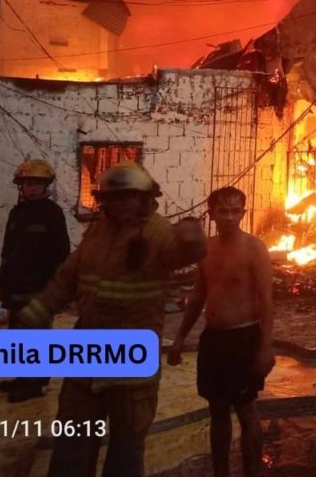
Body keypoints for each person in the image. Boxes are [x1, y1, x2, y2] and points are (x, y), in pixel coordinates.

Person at [16, 162, 207, 477]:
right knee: (71, 449)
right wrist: (40, 310)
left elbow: (187, 252)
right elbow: (68, 276)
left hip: (130, 367)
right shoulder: (97, 231)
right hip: (87, 357)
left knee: (125, 454)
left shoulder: (159, 232)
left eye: (126, 197)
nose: (117, 204)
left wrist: (193, 233)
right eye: (110, 198)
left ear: (144, 198)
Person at [167, 186, 275, 477]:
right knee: (217, 410)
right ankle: (221, 473)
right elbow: (198, 296)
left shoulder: (254, 248)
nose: (229, 217)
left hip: (244, 339)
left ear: (243, 213)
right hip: (213, 339)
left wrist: (266, 347)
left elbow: (266, 300)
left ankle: (252, 473)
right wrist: (179, 339)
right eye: (222, 211)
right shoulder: (206, 248)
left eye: (235, 211)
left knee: (246, 409)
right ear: (212, 213)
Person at [0, 159, 71, 403]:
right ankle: (23, 377)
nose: (32, 188)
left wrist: (52, 289)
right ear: (21, 186)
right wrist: (3, 281)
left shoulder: (52, 213)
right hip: (16, 285)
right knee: (17, 333)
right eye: (28, 183)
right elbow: (8, 250)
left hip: (39, 287)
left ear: (46, 185)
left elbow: (61, 252)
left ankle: (35, 383)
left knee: (36, 335)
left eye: (38, 183)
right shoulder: (16, 213)